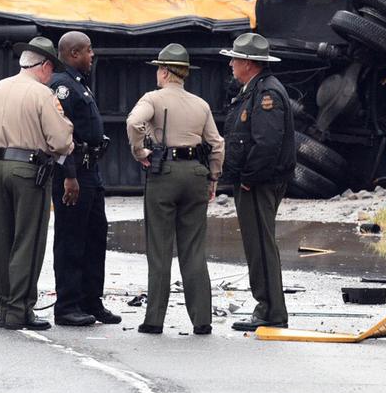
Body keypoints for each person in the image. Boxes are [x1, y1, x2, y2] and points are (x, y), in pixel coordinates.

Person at [125, 43, 225, 335]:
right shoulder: (201, 104)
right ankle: (202, 319)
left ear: (166, 72)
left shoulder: (152, 98)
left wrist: (140, 151)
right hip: (196, 173)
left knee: (159, 248)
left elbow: (133, 122)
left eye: (159, 68)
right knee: (193, 249)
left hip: (164, 172)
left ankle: (155, 319)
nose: (157, 73)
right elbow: (217, 144)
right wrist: (213, 177)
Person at [0, 36, 75, 331]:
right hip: (29, 170)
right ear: (45, 66)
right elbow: (61, 141)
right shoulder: (42, 94)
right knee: (28, 241)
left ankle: (3, 307)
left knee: (1, 241)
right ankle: (18, 310)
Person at [219, 33, 296, 332]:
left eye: (235, 59)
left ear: (249, 63)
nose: (231, 64)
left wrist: (249, 179)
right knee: (258, 244)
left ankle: (270, 310)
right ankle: (267, 306)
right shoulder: (255, 89)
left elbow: (266, 144)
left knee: (261, 245)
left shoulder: (267, 95)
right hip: (256, 180)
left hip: (259, 183)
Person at [49, 31, 119, 326]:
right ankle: (67, 305)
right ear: (74, 54)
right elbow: (61, 136)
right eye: (89, 51)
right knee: (71, 239)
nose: (93, 56)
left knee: (94, 236)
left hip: (90, 170)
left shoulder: (78, 85)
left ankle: (92, 300)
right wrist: (70, 176)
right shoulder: (61, 87)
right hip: (74, 172)